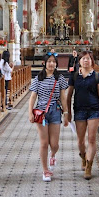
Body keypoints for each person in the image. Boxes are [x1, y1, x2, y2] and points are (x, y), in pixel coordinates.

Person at [66, 50, 99, 180]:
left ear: (92, 61)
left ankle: (89, 166)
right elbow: (69, 96)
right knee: (80, 141)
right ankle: (83, 156)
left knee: (91, 139)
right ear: (79, 61)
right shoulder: (74, 76)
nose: (86, 61)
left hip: (94, 109)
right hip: (79, 110)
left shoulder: (97, 76)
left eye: (88, 59)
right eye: (83, 58)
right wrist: (68, 112)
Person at [28, 53, 69, 182]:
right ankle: (45, 170)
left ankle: (53, 154)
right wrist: (30, 113)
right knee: (44, 143)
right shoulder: (38, 78)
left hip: (56, 111)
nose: (51, 64)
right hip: (41, 112)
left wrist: (66, 113)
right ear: (44, 63)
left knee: (55, 144)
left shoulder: (60, 78)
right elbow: (33, 97)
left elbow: (63, 97)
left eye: (54, 62)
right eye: (49, 61)